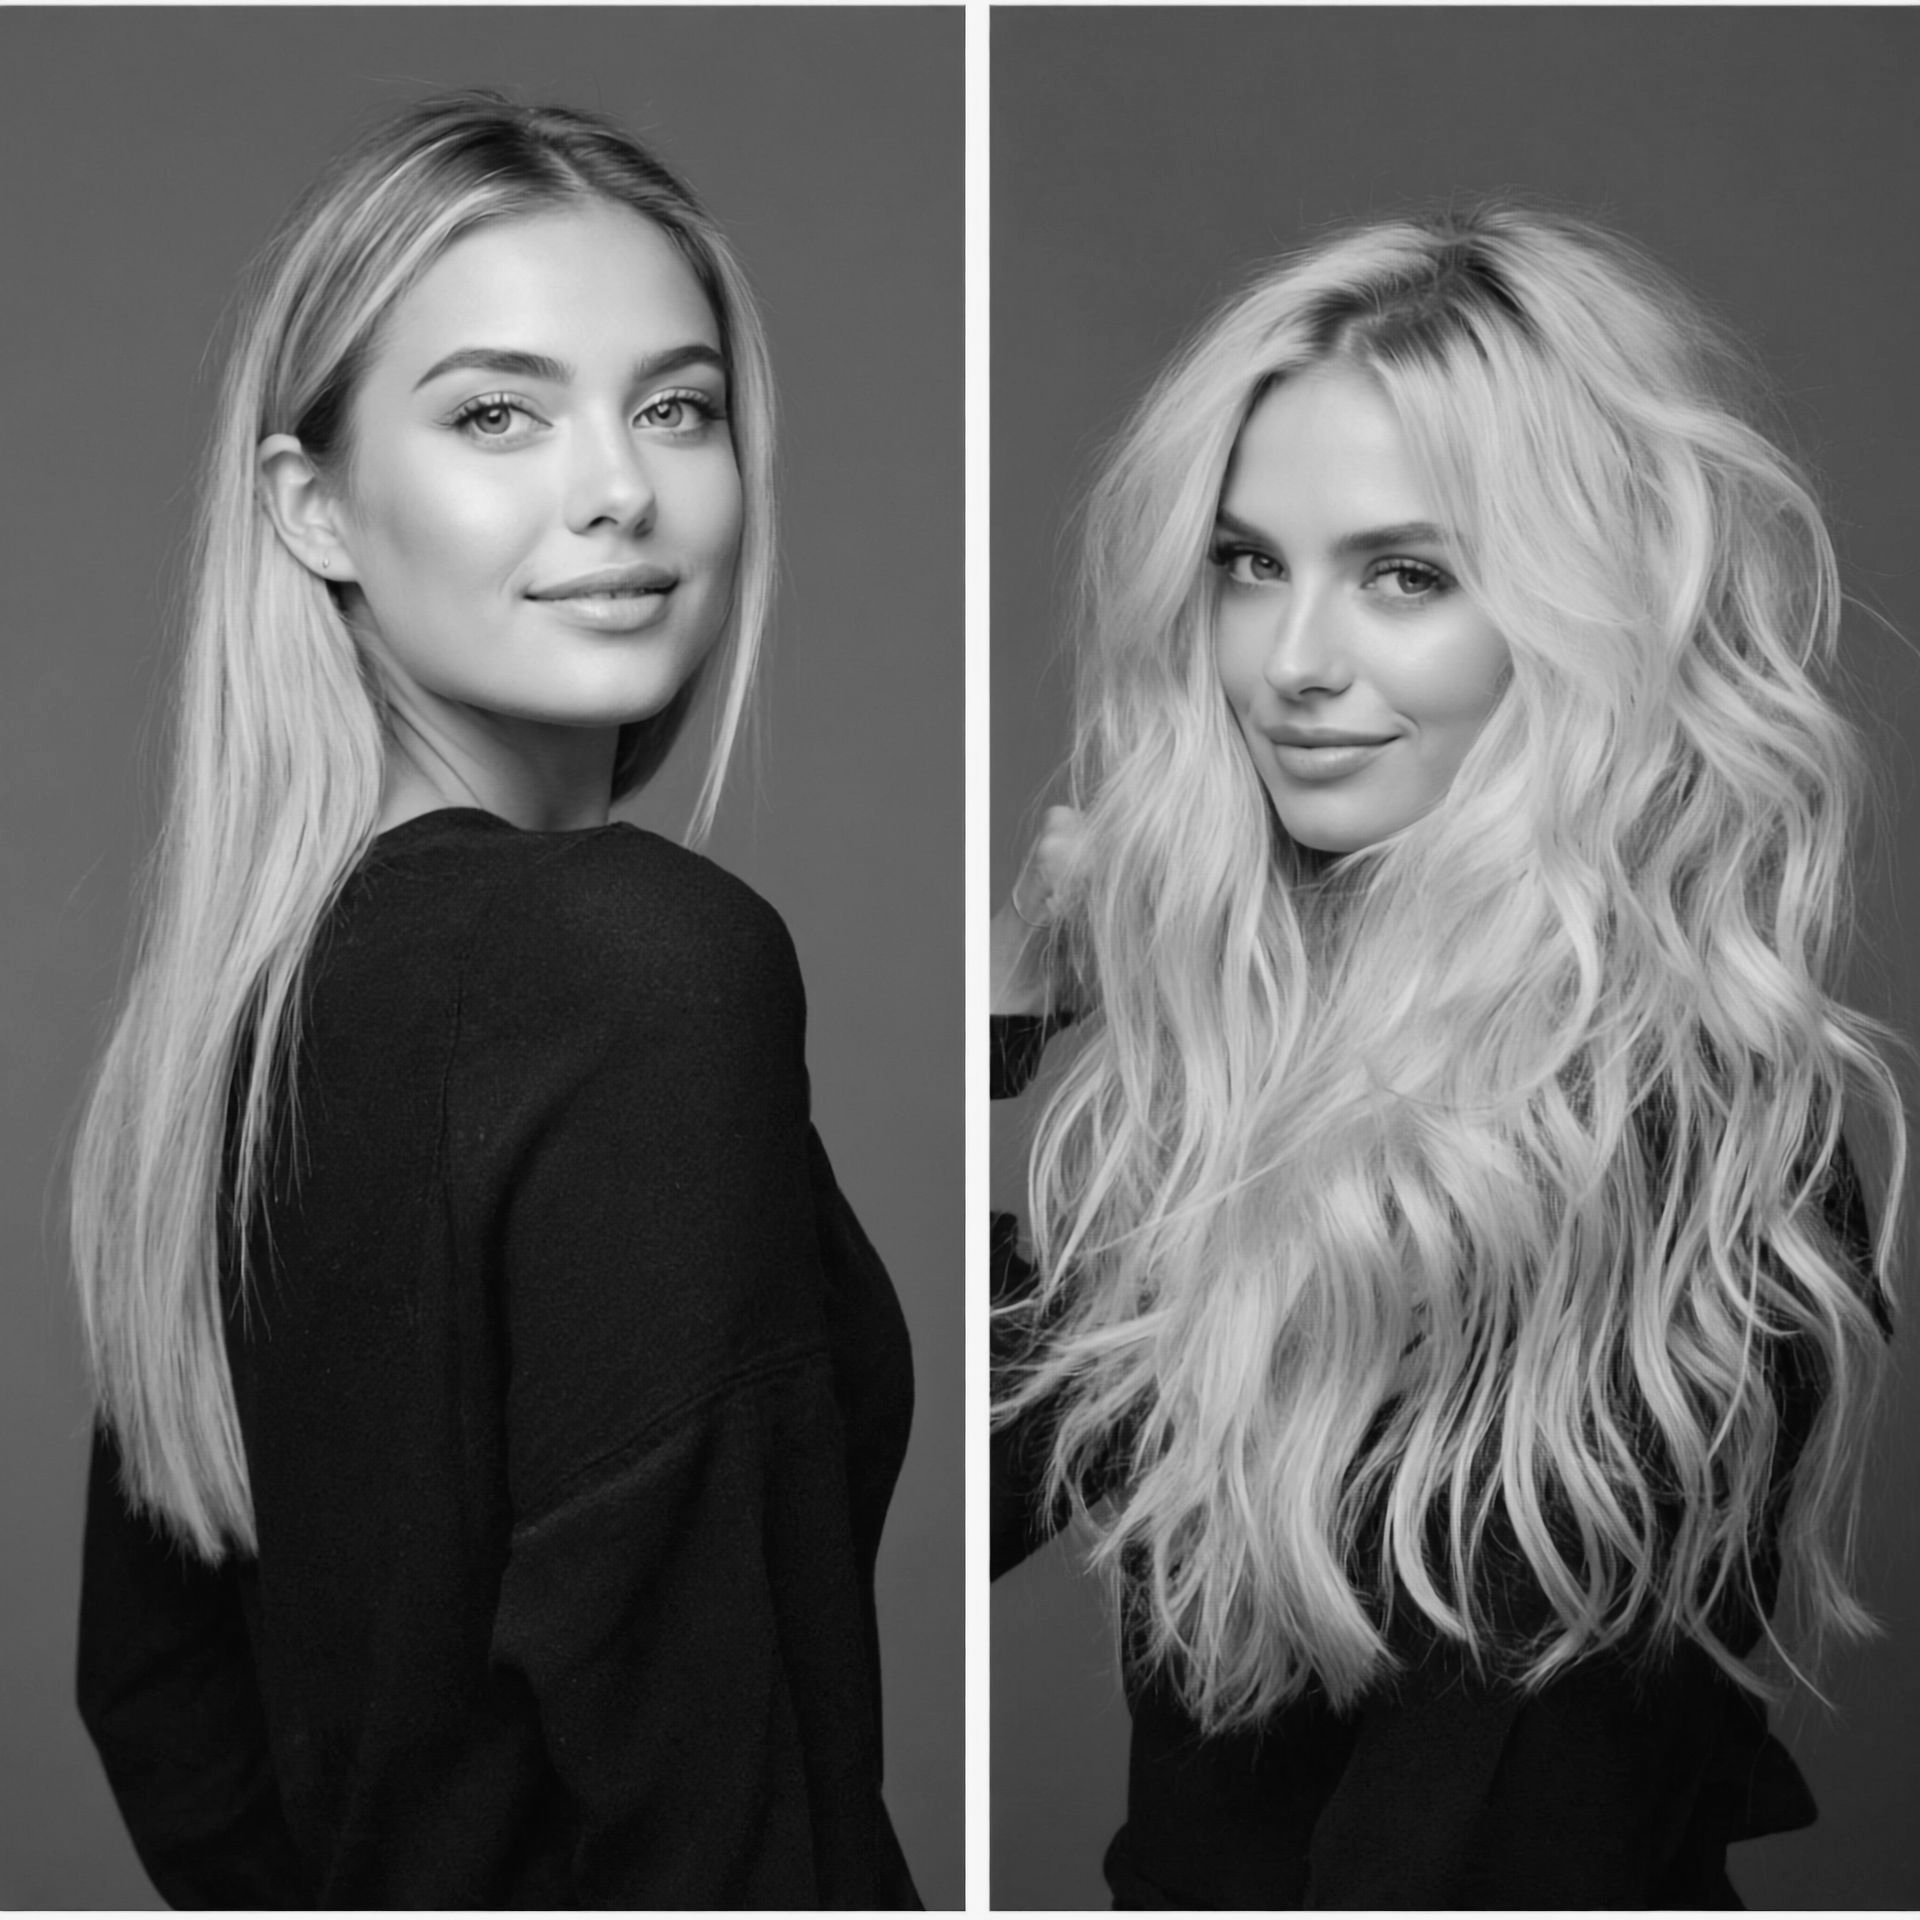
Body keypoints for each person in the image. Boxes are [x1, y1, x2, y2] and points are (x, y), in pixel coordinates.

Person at [991, 202, 1904, 1907]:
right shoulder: (1251, 1068)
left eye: (1406, 576)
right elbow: (890, 1492)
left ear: (1581, 617)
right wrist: (1004, 1012)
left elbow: (1480, 1850)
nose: (1294, 664)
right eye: (1250, 565)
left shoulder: (1660, 1138)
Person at [69, 92, 919, 1908]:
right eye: (496, 414)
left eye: (676, 407)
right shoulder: (637, 964)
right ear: (313, 510)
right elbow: (728, 1830)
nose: (620, 487)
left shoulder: (233, 1031)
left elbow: (161, 1707)